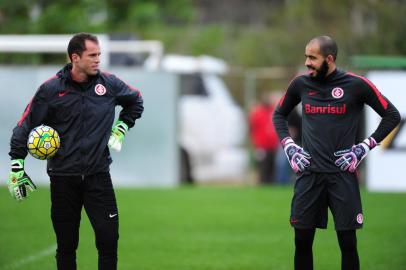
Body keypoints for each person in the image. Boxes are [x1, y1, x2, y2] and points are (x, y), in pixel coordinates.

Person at [7, 33, 144, 270]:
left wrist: (122, 126)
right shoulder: (50, 90)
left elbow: (136, 100)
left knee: (108, 240)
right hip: (62, 179)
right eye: (92, 55)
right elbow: (25, 125)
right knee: (67, 245)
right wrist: (17, 165)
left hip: (98, 177)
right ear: (75, 58)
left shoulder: (109, 84)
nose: (98, 60)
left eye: (99, 54)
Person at [272, 36, 400, 270]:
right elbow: (278, 114)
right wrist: (289, 146)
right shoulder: (300, 84)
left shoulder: (357, 85)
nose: (307, 62)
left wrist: (364, 147)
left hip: (342, 175)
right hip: (308, 174)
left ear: (329, 59)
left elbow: (392, 115)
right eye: (306, 57)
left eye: (312, 57)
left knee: (348, 243)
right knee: (301, 241)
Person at [249, 92, 279, 185]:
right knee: (263, 167)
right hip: (261, 145)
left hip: (273, 145)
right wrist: (255, 143)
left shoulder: (274, 111)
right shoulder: (257, 113)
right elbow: (252, 129)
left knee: (272, 166)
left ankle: (271, 185)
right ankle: (263, 185)